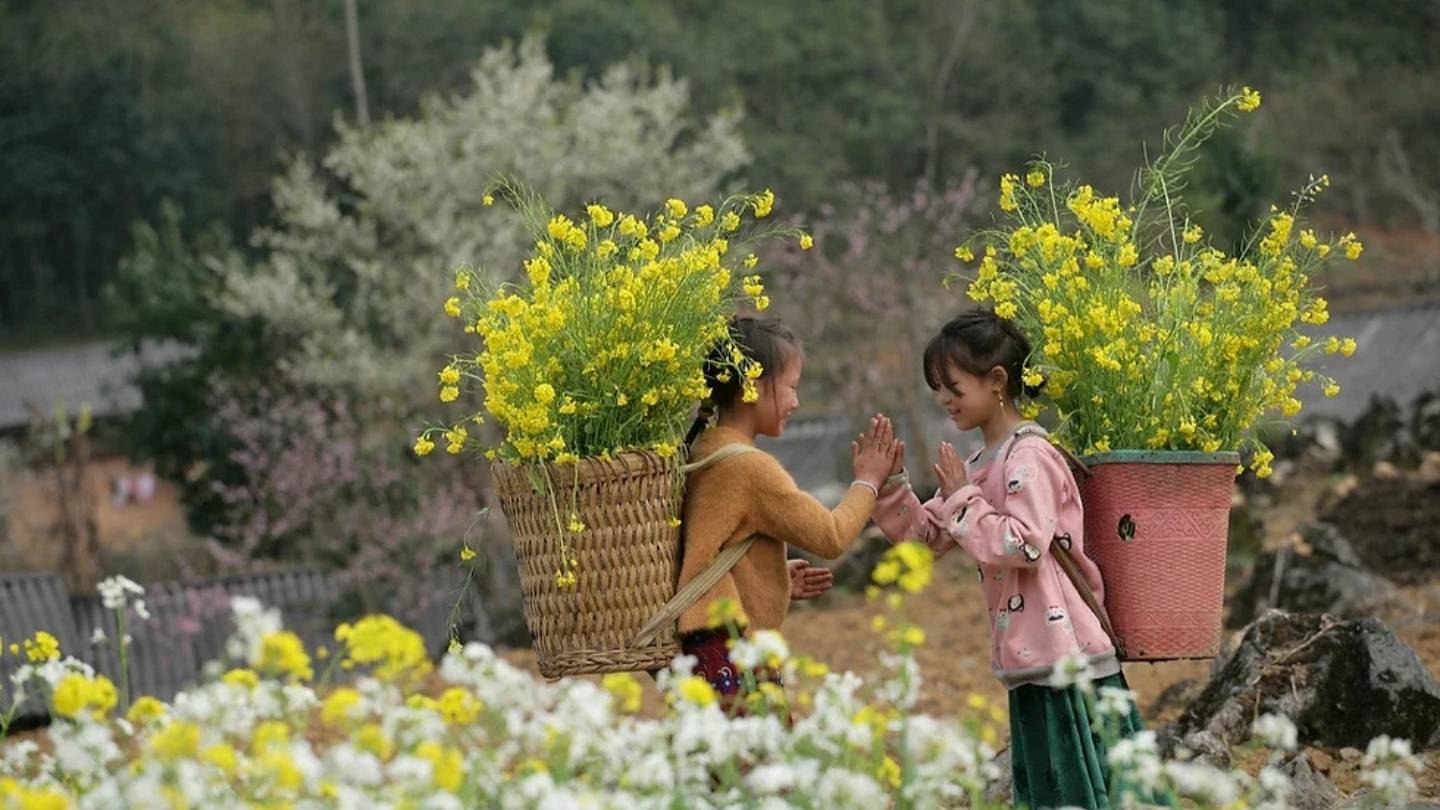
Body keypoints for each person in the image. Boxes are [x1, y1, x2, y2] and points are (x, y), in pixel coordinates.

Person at [874, 308, 1164, 809]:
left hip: (1068, 655)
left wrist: (964, 498)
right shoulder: (979, 466)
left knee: (1090, 787)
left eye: (954, 387)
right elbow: (925, 542)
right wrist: (890, 485)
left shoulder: (1029, 456)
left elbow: (1024, 544)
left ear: (997, 381)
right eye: (937, 389)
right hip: (1030, 656)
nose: (944, 399)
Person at [677, 314, 900, 703]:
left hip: (706, 646)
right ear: (752, 388)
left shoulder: (706, 450)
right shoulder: (750, 467)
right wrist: (868, 480)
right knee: (757, 760)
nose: (796, 401)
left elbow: (710, 553)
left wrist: (770, 580)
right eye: (791, 387)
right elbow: (830, 537)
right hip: (733, 648)